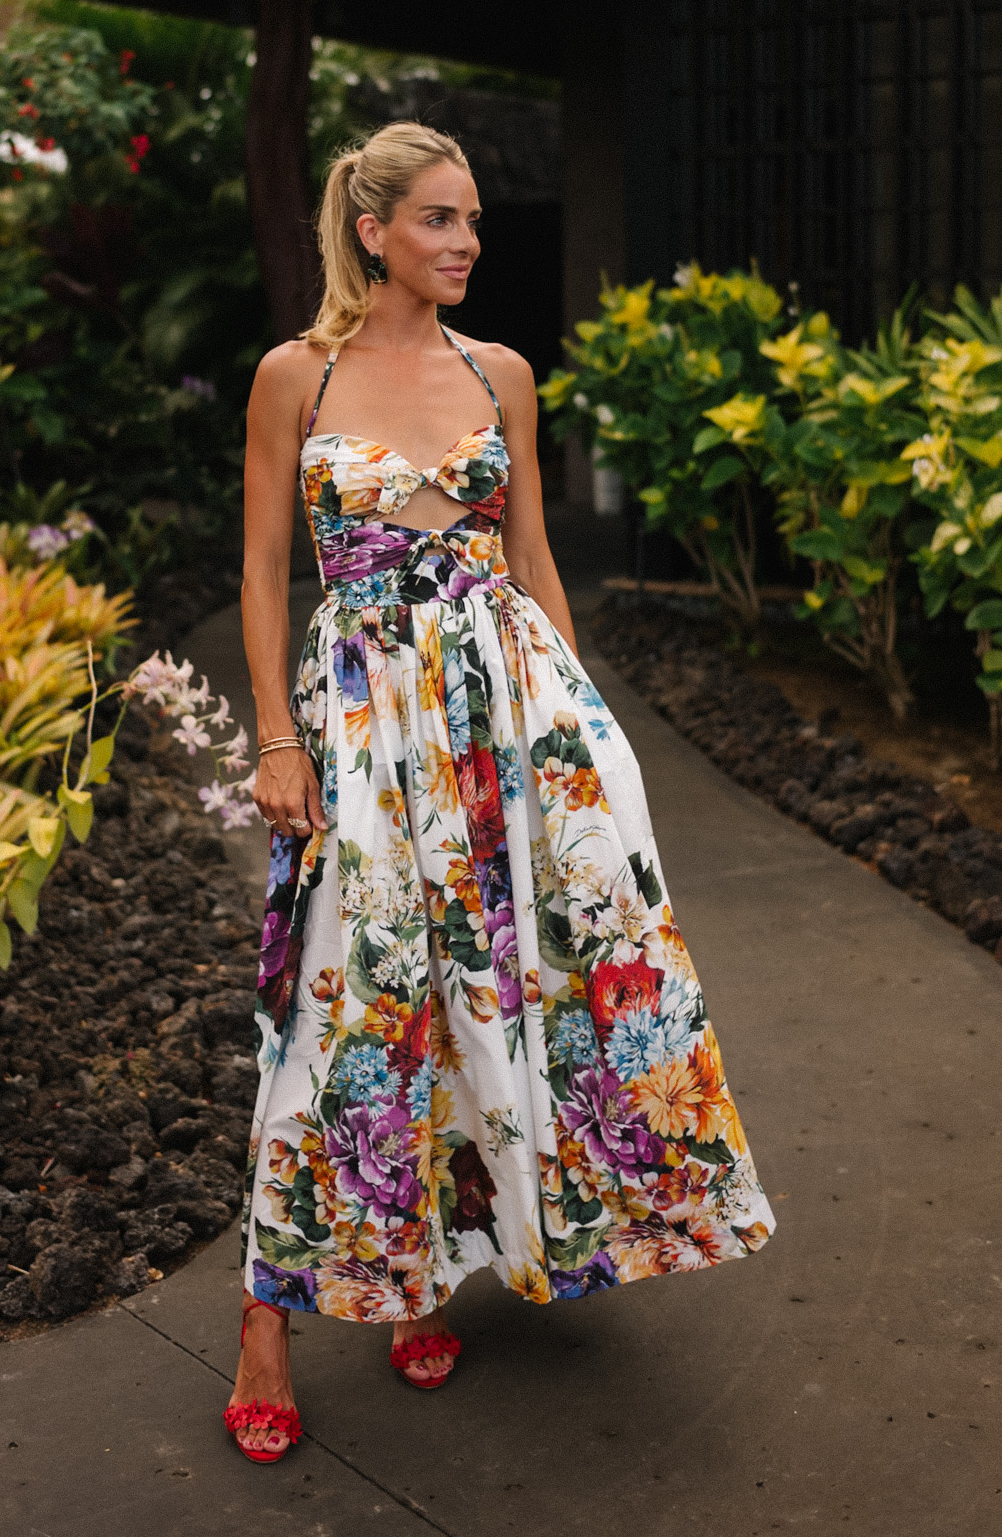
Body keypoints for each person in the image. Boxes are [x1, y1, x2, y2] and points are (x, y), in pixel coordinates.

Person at [225, 123, 775, 1461]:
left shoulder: (504, 373)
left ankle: (427, 1268)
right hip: (367, 718)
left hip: (512, 715)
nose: (466, 241)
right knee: (353, 998)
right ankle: (268, 1319)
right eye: (437, 220)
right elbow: (259, 571)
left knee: (503, 991)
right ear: (373, 231)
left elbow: (529, 554)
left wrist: (592, 731)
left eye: (470, 220)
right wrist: (279, 739)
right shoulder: (295, 375)